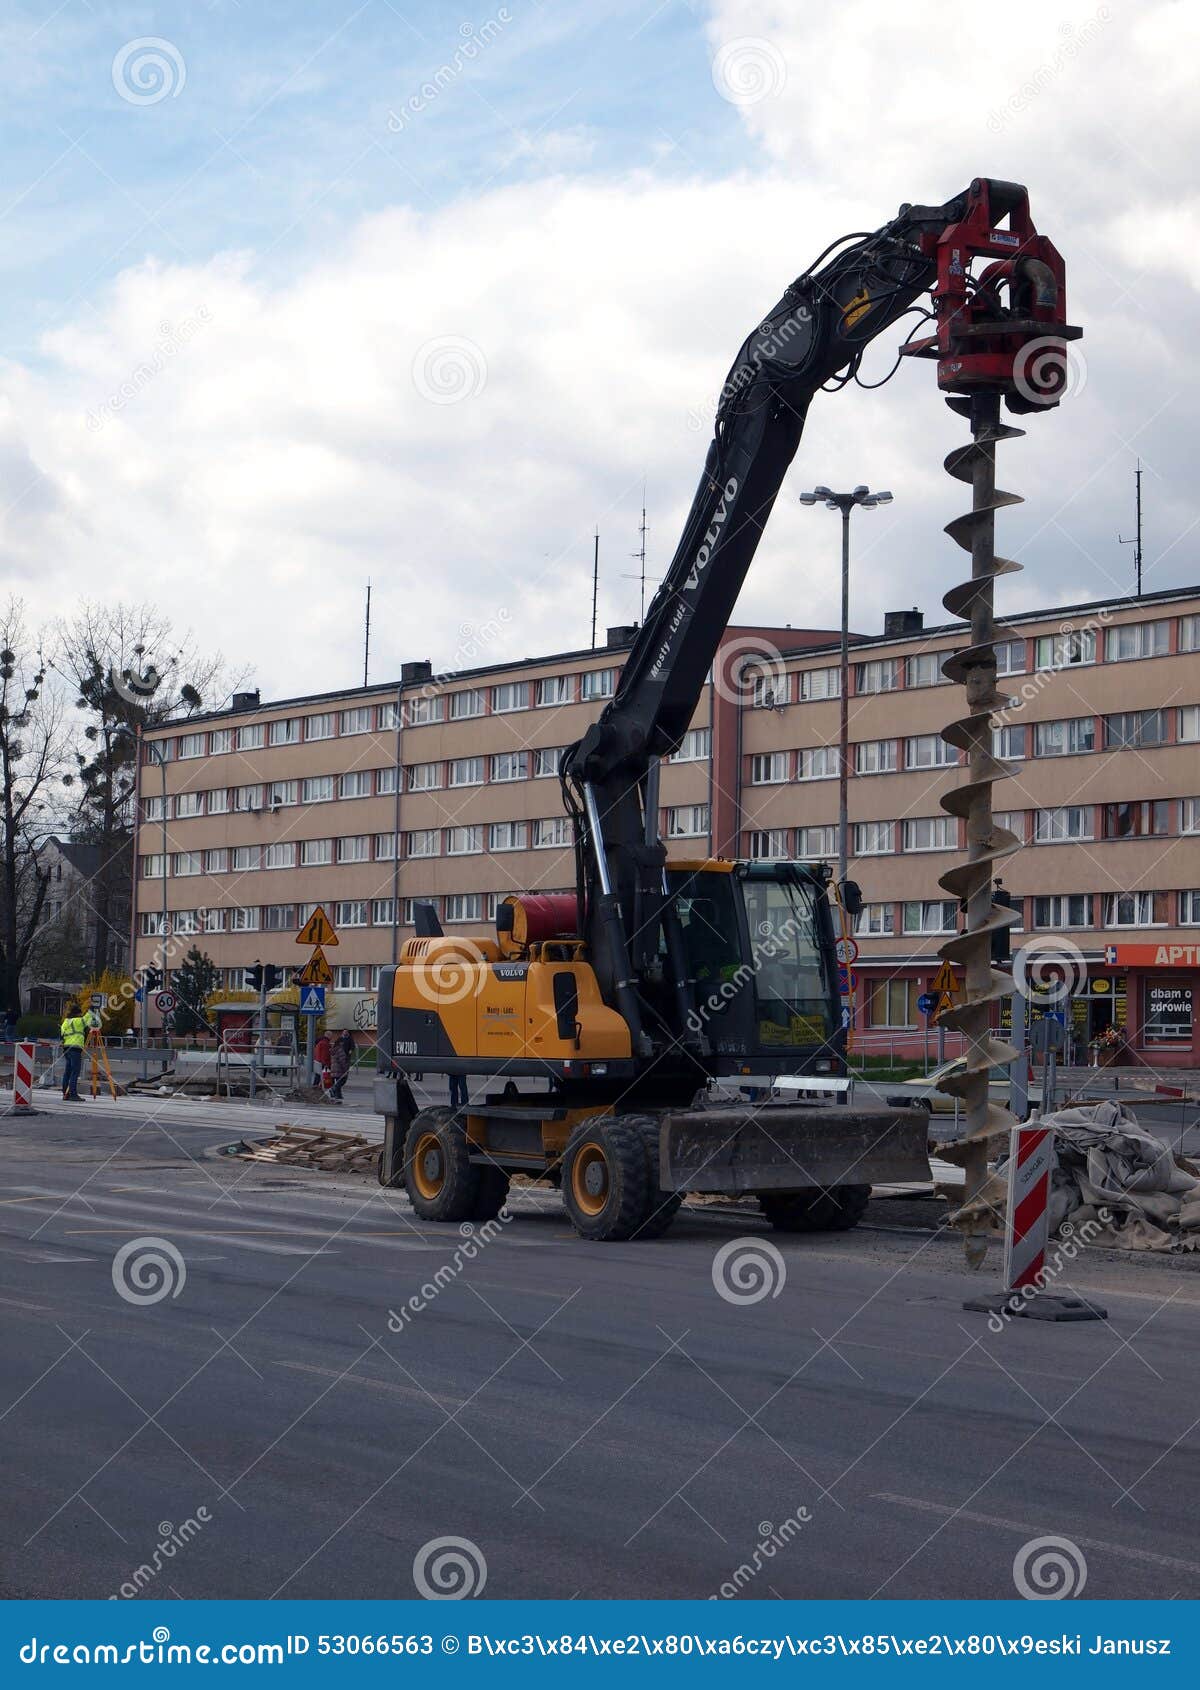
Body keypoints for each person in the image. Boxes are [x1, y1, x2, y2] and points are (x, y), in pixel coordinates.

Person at [59, 1003, 89, 1101]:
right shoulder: (79, 1021)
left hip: (66, 1048)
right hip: (75, 1048)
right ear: (78, 1013)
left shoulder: (66, 1022)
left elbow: (62, 1034)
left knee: (68, 1071)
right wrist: (93, 1009)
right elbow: (89, 1018)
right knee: (75, 1072)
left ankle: (65, 1093)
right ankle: (73, 1094)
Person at [329, 1029, 354, 1102]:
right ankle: (333, 1089)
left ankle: (338, 1095)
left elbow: (352, 1046)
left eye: (346, 1032)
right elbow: (342, 1061)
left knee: (338, 1081)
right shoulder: (340, 1050)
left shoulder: (333, 1050)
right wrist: (345, 1069)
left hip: (333, 1068)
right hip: (339, 1068)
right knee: (342, 1080)